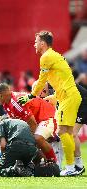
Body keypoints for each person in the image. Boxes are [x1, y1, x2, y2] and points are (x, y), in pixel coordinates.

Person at [18, 31, 82, 176]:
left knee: (62, 131)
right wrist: (54, 97)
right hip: (67, 95)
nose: (34, 44)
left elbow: (41, 80)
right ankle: (76, 166)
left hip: (68, 96)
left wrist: (31, 96)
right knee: (68, 132)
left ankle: (71, 167)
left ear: (42, 43)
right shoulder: (54, 55)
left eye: (36, 41)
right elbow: (62, 78)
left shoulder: (46, 57)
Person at [0, 83, 58, 164]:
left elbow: (32, 123)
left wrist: (27, 139)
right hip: (38, 120)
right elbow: (17, 123)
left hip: (48, 117)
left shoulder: (17, 102)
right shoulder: (6, 103)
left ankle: (54, 163)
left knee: (37, 139)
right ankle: (44, 165)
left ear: (1, 96)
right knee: (27, 143)